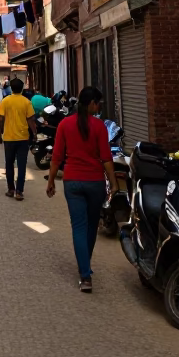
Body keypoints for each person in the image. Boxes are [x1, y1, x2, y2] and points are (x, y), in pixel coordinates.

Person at [46, 86, 114, 293]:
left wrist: (51, 181)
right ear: (92, 103)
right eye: (98, 102)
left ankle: (85, 275)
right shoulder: (99, 126)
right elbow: (106, 159)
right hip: (95, 183)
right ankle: (85, 264)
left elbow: (57, 156)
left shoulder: (65, 124)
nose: (100, 106)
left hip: (72, 181)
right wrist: (114, 184)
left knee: (78, 226)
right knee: (91, 226)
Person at [0, 77, 37, 201]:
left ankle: (10, 189)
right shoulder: (26, 102)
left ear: (11, 88)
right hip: (23, 138)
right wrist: (34, 133)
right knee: (22, 165)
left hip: (8, 138)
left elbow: (0, 119)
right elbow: (31, 120)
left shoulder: (5, 101)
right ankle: (19, 191)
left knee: (9, 164)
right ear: (22, 88)